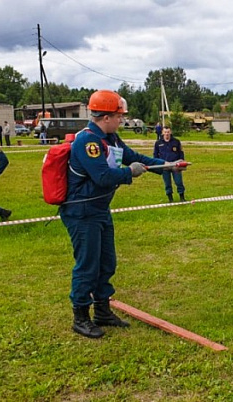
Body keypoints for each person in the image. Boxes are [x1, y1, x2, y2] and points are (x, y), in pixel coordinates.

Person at [61, 89, 171, 339]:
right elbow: (102, 177)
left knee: (107, 262)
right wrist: (130, 173)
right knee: (88, 265)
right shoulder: (87, 142)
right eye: (119, 116)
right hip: (82, 212)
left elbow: (133, 157)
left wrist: (166, 167)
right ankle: (80, 316)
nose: (121, 120)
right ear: (106, 116)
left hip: (99, 210)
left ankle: (102, 311)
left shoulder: (112, 139)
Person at [154, 126, 186, 202]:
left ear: (170, 132)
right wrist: (156, 163)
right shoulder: (158, 143)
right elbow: (155, 154)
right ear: (162, 133)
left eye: (168, 132)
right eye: (165, 132)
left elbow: (181, 152)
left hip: (175, 165)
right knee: (167, 183)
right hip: (164, 165)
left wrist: (182, 161)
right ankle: (170, 199)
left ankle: (182, 197)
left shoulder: (176, 141)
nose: (167, 134)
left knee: (179, 182)